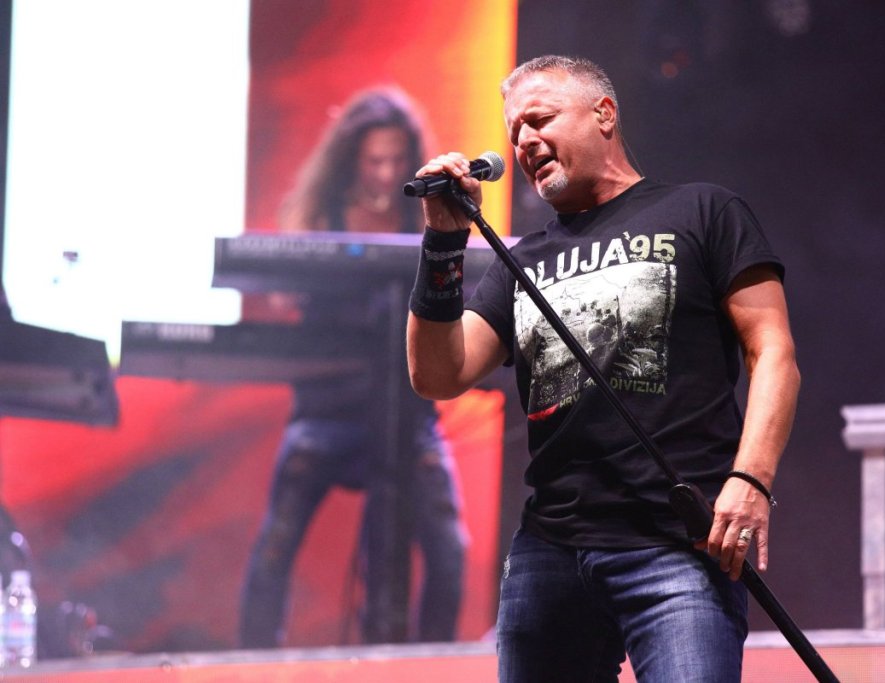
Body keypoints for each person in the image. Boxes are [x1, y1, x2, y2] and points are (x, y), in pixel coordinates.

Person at [406, 56, 799, 682]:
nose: (524, 142)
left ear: (604, 114)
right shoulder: (523, 260)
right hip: (550, 551)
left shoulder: (702, 211)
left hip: (676, 544)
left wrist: (751, 480)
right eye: (514, 132)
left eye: (540, 120)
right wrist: (444, 242)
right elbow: (437, 374)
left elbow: (772, 351)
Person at [240, 88, 468, 647]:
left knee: (451, 551)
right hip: (328, 411)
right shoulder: (323, 215)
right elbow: (283, 293)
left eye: (396, 159)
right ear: (352, 159)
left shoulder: (423, 216)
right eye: (374, 160)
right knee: (275, 546)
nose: (386, 172)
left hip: (409, 418)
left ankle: (427, 665)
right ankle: (252, 661)